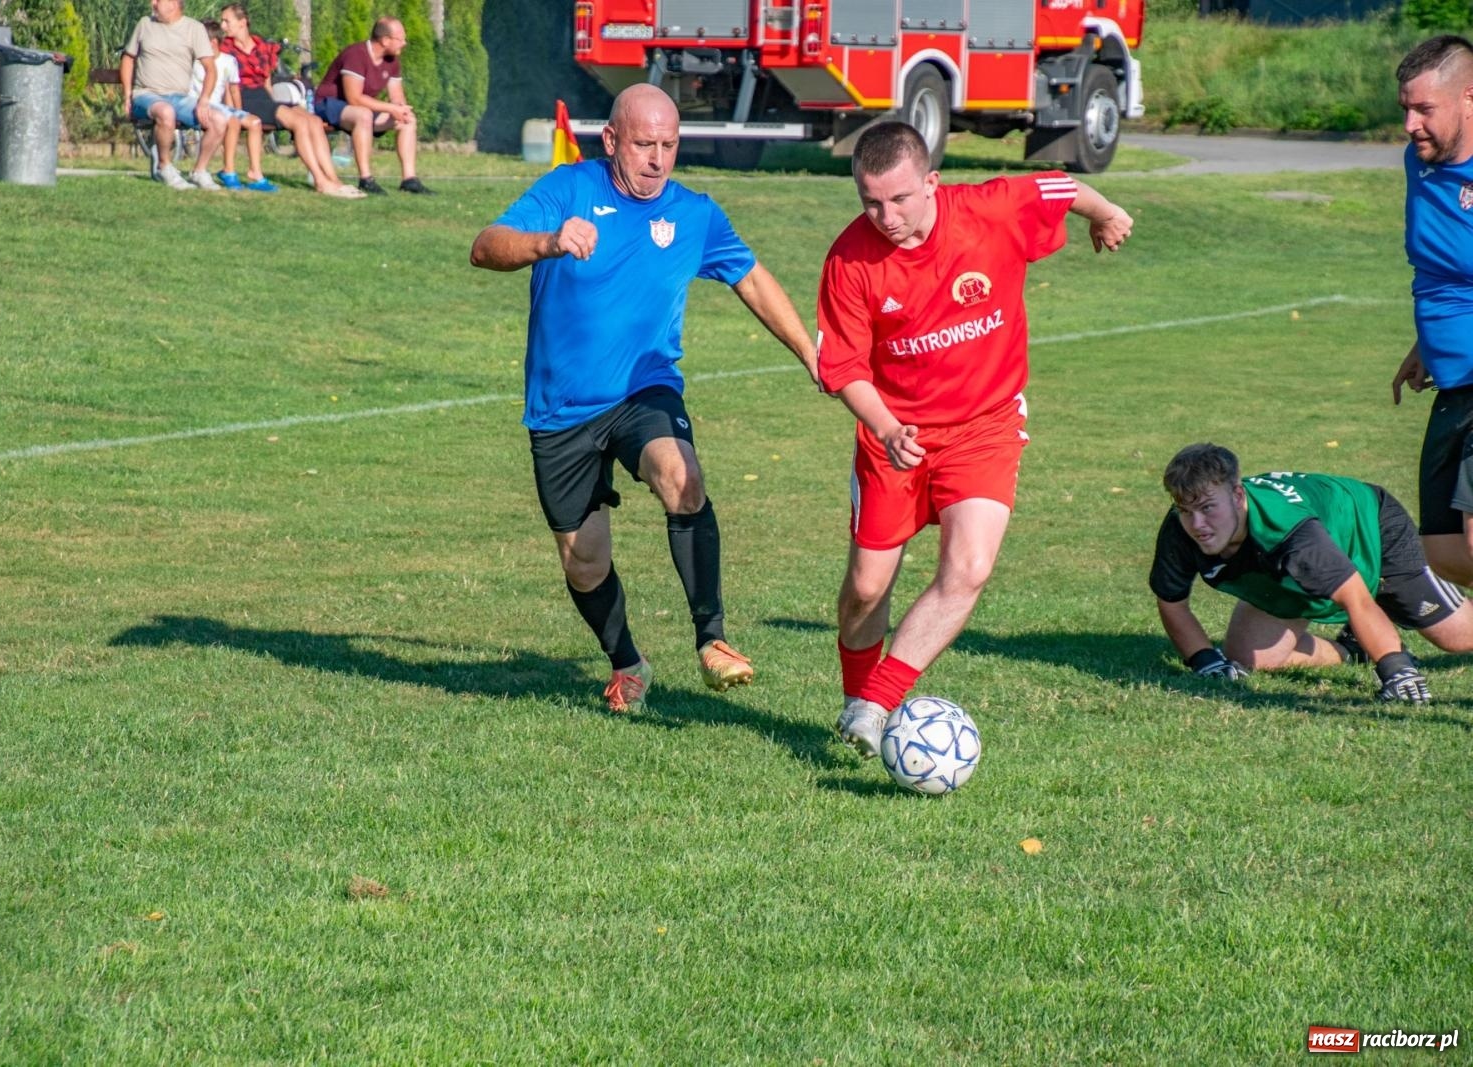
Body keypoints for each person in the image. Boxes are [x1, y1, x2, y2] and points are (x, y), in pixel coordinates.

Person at [468, 84, 818, 714]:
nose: (658, 158)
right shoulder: (568, 189)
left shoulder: (694, 213)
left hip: (644, 389)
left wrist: (810, 351)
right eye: (644, 144)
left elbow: (753, 281)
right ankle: (627, 663)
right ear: (611, 141)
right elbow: (485, 246)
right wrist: (546, 242)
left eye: (669, 144)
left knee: (681, 477)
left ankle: (713, 640)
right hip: (562, 409)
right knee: (584, 563)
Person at [817, 120, 1132, 757]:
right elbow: (844, 368)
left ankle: (875, 707)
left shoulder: (989, 210)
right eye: (871, 203)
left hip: (985, 426)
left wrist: (1106, 213)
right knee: (867, 588)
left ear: (932, 182)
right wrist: (884, 427)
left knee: (969, 567)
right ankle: (857, 696)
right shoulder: (849, 260)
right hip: (894, 435)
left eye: (900, 199)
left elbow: (1058, 186)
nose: (887, 216)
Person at [1149, 443, 1473, 704]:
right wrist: (1204, 661)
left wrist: (1396, 670)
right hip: (1292, 562)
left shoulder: (1292, 533)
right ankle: (1353, 649)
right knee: (1248, 657)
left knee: (1457, 637)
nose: (1197, 525)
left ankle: (1382, 637)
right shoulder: (1181, 526)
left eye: (1207, 508)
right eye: (1185, 510)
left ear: (1237, 495)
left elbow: (1356, 599)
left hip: (1366, 527)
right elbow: (1171, 601)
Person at [1391, 35, 1473, 585]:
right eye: (1406, 110)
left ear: (1469, 97)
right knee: (1443, 551)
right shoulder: (1416, 162)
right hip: (1453, 376)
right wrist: (1426, 344)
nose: (1410, 125)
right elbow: (1443, 266)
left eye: (1425, 109)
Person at [216, 4, 365, 199]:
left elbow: (267, 80)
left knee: (313, 121)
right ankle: (320, 181)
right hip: (243, 97)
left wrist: (274, 101)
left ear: (242, 23)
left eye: (227, 21)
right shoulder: (224, 48)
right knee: (299, 122)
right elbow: (227, 83)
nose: (223, 25)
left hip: (262, 96)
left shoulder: (262, 46)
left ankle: (333, 179)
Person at [310, 18, 431, 195]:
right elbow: (354, 98)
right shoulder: (356, 55)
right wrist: (390, 109)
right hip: (328, 105)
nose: (404, 43)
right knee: (364, 115)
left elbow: (397, 96)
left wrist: (400, 109)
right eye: (401, 39)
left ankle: (409, 180)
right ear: (385, 40)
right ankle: (366, 179)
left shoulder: (392, 60)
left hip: (360, 109)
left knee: (408, 119)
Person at [120, 0, 230, 191]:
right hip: (146, 95)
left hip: (179, 98)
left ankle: (199, 171)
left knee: (219, 120)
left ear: (173, 3)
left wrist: (204, 100)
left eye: (158, 0)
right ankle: (165, 166)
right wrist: (127, 94)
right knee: (166, 112)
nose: (152, 3)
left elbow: (211, 70)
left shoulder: (194, 29)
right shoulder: (145, 24)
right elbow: (128, 58)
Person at [191, 19, 276, 192]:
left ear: (212, 43)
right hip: (198, 103)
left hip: (219, 106)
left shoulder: (228, 61)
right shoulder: (194, 61)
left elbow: (234, 90)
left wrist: (239, 111)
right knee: (233, 122)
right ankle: (229, 170)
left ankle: (256, 174)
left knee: (255, 122)